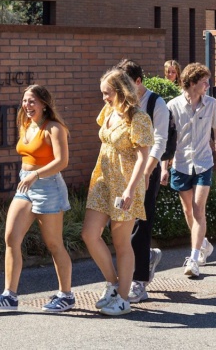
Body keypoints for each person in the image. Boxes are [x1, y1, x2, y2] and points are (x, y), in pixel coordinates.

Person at [0, 85, 74, 312]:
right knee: (11, 237)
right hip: (26, 184)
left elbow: (62, 161)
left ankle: (66, 295)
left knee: (54, 244)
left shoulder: (54, 128)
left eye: (32, 101)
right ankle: (9, 296)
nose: (27, 105)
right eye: (25, 101)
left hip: (47, 186)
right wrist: (29, 176)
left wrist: (36, 174)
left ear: (44, 104)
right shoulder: (26, 125)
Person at [83, 69, 154, 316]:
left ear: (121, 92)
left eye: (107, 93)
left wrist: (130, 190)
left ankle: (124, 299)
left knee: (121, 243)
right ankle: (113, 284)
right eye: (102, 93)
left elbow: (143, 157)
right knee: (89, 234)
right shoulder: (108, 112)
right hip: (103, 180)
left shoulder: (139, 118)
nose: (103, 97)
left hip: (126, 184)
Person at [115, 59, 173, 303]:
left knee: (141, 221)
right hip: (123, 171)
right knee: (124, 223)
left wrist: (148, 172)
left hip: (147, 168)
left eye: (126, 85)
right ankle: (146, 257)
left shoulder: (156, 103)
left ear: (138, 82)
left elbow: (159, 141)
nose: (122, 91)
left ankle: (139, 281)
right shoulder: (120, 104)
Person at [165, 62, 216, 278]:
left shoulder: (211, 104)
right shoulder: (172, 105)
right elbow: (167, 139)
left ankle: (193, 258)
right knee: (188, 211)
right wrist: (165, 167)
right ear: (192, 83)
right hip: (181, 163)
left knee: (198, 208)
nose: (208, 86)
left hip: (203, 162)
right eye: (204, 82)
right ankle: (203, 243)